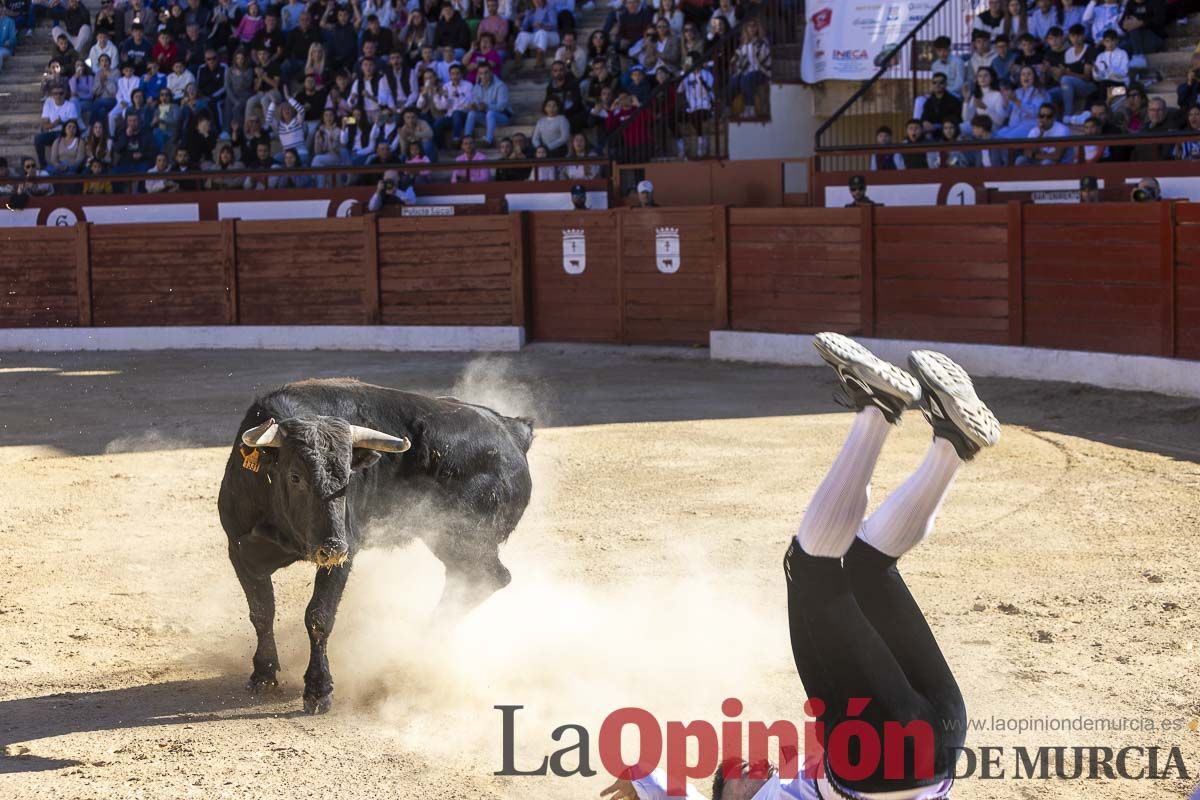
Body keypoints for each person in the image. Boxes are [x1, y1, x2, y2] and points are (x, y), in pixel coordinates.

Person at [607, 334, 998, 800]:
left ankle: (952, 446)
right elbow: (670, 790)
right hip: (885, 763)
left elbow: (647, 775)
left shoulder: (793, 775)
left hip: (938, 729)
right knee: (809, 568)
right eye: (731, 777)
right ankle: (878, 409)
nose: (745, 765)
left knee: (864, 565)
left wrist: (637, 774)